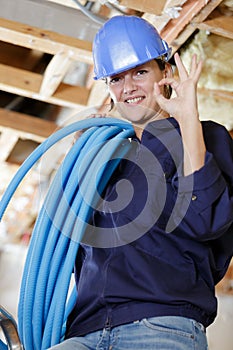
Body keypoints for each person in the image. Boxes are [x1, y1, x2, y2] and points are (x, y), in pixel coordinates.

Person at [49, 15, 233, 349]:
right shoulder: (105, 159)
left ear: (166, 72)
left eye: (140, 72)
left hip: (161, 324)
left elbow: (205, 220)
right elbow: (67, 242)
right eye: (116, 78)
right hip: (84, 331)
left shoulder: (207, 136)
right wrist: (81, 158)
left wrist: (187, 118)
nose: (128, 86)